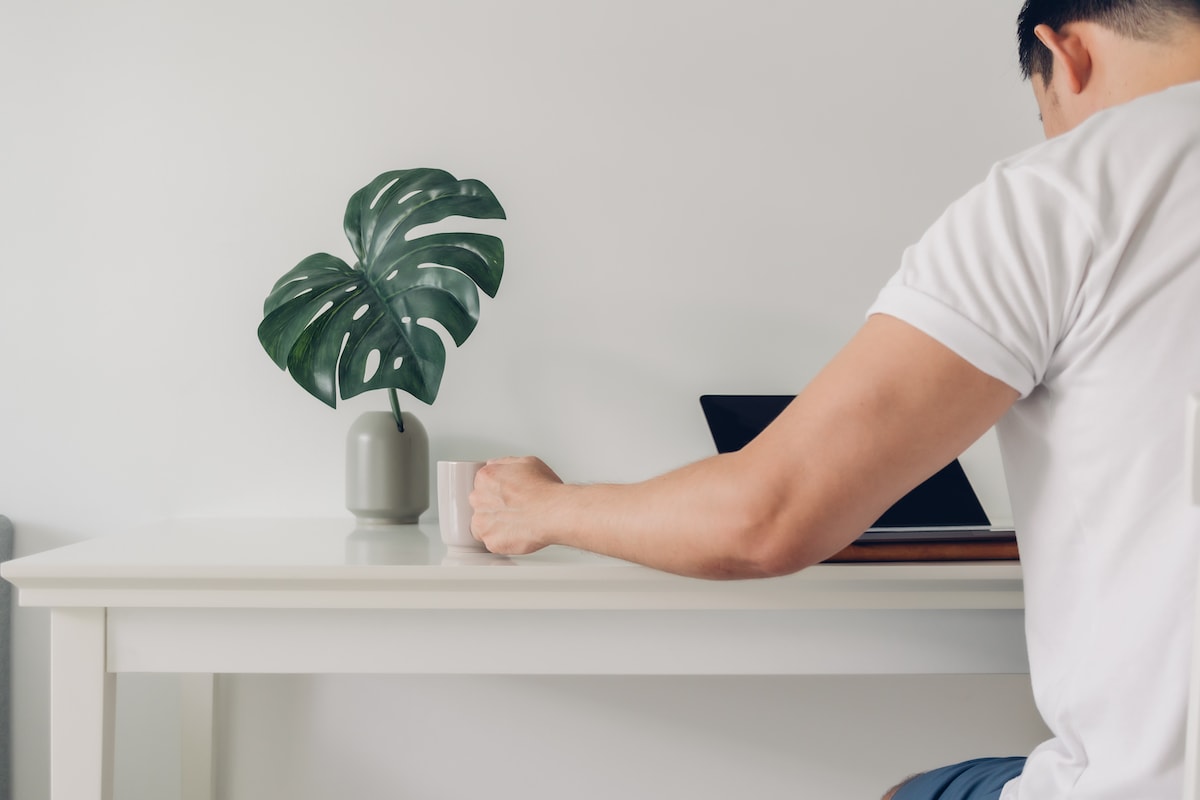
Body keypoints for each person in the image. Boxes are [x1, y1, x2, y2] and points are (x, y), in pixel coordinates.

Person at [469, 0, 1200, 797]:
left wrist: (539, 509)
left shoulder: (1068, 193)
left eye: (1045, 112)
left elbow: (762, 520)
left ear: (1066, 57)